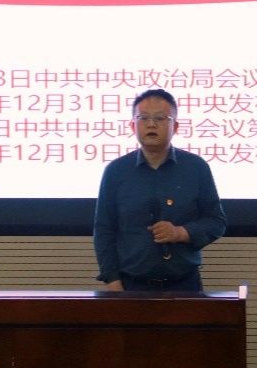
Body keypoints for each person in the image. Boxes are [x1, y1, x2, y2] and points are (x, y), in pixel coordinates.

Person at [93, 88, 227, 291]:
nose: (151, 124)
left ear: (175, 126)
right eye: (143, 118)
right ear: (133, 126)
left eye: (160, 118)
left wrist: (181, 233)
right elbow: (104, 230)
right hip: (131, 286)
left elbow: (216, 222)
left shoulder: (196, 167)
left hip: (185, 285)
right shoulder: (116, 171)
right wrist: (112, 280)